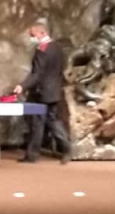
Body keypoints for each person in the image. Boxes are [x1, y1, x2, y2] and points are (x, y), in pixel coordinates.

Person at [13, 17, 71, 163]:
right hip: (54, 90)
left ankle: (32, 155)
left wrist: (22, 86)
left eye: (33, 36)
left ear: (41, 33)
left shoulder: (42, 50)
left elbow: (37, 73)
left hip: (41, 92)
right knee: (53, 121)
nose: (31, 39)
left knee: (37, 123)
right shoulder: (57, 47)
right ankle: (67, 149)